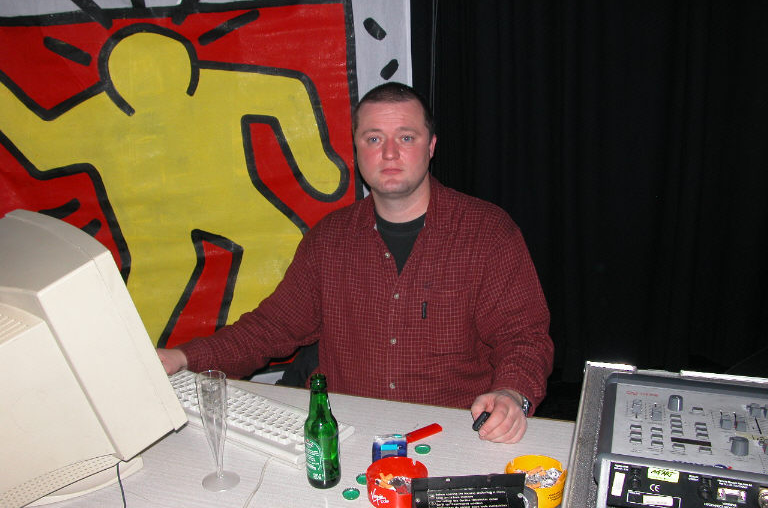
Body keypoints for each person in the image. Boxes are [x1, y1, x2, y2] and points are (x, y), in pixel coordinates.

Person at [158, 82, 553, 444]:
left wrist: (512, 393)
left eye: (406, 137)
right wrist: (183, 358)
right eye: (374, 138)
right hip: (347, 437)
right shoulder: (329, 239)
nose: (390, 153)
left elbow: (524, 337)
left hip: (453, 437)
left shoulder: (487, 233)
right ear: (357, 149)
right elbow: (270, 329)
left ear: (431, 146)